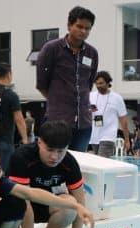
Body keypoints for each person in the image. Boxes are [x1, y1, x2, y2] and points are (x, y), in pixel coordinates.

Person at [9, 121, 90, 228]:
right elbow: (24, 201)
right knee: (12, 203)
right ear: (39, 142)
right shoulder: (22, 157)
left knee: (71, 205)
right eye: (50, 149)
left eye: (60, 151)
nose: (54, 157)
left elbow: (81, 204)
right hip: (20, 206)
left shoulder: (69, 163)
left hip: (46, 206)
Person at [36, 6, 98, 152]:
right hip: (57, 121)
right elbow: (41, 84)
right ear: (69, 25)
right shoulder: (51, 49)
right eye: (79, 26)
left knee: (78, 166)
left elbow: (88, 84)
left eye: (87, 28)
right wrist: (59, 101)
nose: (83, 31)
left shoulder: (92, 53)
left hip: (84, 123)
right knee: (54, 164)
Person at [0, 62, 28, 171]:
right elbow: (19, 119)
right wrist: (25, 139)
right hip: (5, 141)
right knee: (3, 173)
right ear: (9, 74)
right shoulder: (11, 95)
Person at [89, 71, 130, 157]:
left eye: (101, 83)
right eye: (96, 84)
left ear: (108, 83)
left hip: (108, 137)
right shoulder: (91, 96)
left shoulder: (117, 98)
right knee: (97, 164)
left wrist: (127, 139)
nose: (98, 86)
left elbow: (123, 121)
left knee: (102, 162)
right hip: (94, 137)